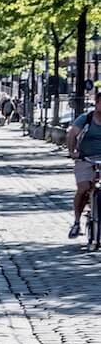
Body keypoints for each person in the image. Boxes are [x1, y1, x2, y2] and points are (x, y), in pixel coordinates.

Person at [68, 87, 101, 238]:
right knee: (83, 188)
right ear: (97, 103)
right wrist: (72, 151)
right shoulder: (86, 118)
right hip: (85, 158)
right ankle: (76, 222)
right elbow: (72, 134)